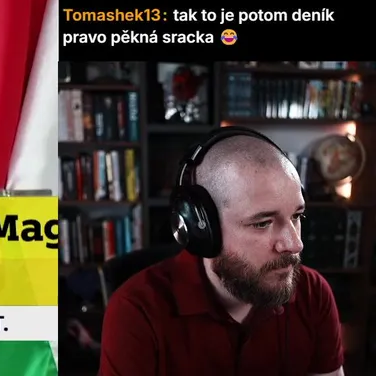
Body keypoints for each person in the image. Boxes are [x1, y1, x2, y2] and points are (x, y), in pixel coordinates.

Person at [100, 129, 345, 376]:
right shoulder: (135, 311)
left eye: (297, 216)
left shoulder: (313, 293)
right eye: (262, 223)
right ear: (202, 229)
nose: (295, 244)